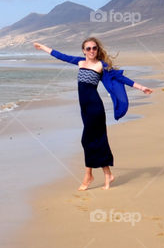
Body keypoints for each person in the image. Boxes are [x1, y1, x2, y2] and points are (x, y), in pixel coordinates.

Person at [33, 38, 152, 190]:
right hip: (85, 108)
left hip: (95, 108)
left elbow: (120, 78)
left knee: (87, 140)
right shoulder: (80, 62)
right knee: (97, 139)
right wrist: (43, 47)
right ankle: (108, 174)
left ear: (97, 50)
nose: (91, 51)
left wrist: (141, 87)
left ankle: (88, 176)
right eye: (88, 48)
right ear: (83, 50)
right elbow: (61, 56)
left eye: (94, 48)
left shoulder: (101, 66)